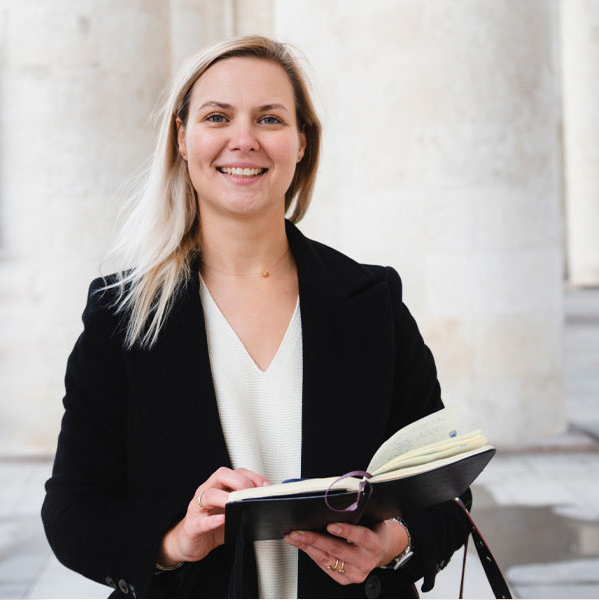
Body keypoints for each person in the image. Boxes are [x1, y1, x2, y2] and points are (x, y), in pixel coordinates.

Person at [42, 35, 472, 599]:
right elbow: (74, 512)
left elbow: (445, 491)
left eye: (269, 119)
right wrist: (177, 539)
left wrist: (391, 541)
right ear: (182, 138)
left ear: (300, 144)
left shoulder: (372, 303)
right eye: (218, 116)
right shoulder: (120, 315)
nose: (243, 140)